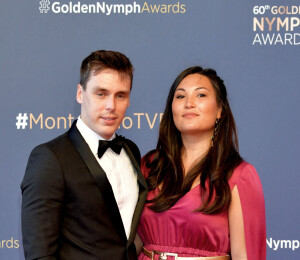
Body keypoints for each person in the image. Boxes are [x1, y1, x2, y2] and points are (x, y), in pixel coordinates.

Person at [21, 50, 147, 260]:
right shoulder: (50, 158)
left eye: (120, 95)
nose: (111, 106)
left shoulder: (131, 150)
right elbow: (39, 254)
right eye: (101, 93)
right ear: (80, 93)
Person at [136, 66, 266, 260]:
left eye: (201, 95)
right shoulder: (150, 165)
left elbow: (246, 256)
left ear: (220, 110)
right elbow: (131, 243)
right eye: (180, 97)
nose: (189, 103)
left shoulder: (239, 175)